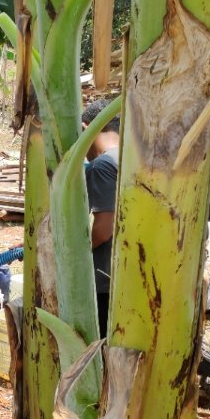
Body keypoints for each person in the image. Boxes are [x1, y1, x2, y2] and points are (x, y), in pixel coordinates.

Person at [81, 99, 120, 337]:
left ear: (86, 130)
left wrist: (73, 255)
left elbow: (104, 229)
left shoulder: (102, 165)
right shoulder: (133, 155)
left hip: (105, 276)